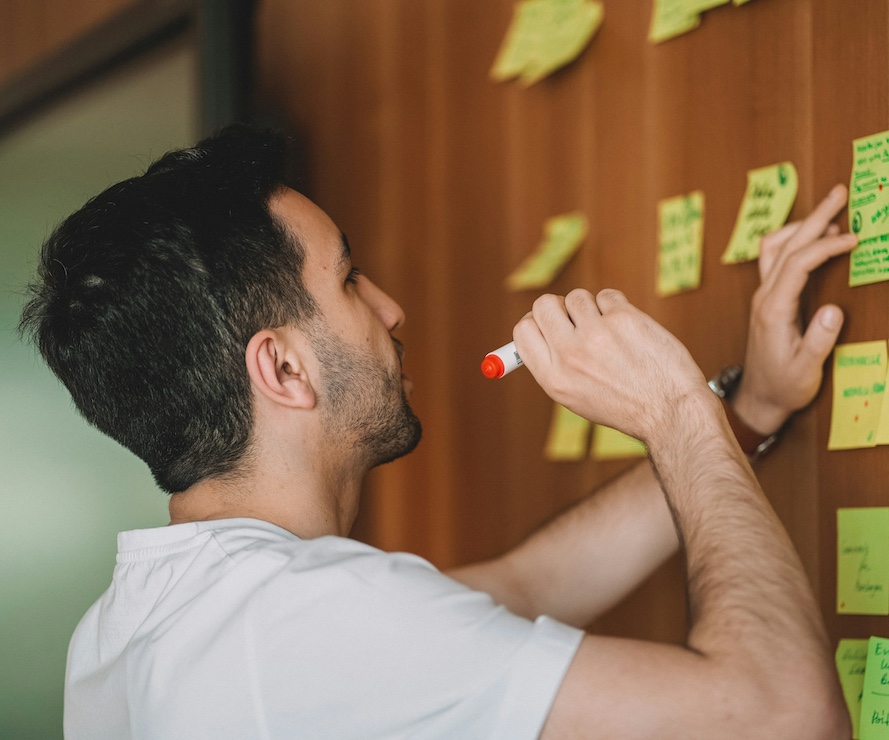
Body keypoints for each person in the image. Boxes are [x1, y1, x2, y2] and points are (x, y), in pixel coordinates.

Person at [19, 124, 854, 738]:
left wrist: (743, 414)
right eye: (349, 280)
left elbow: (528, 584)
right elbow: (784, 714)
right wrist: (672, 408)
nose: (390, 310)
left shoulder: (135, 624)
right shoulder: (306, 621)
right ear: (281, 369)